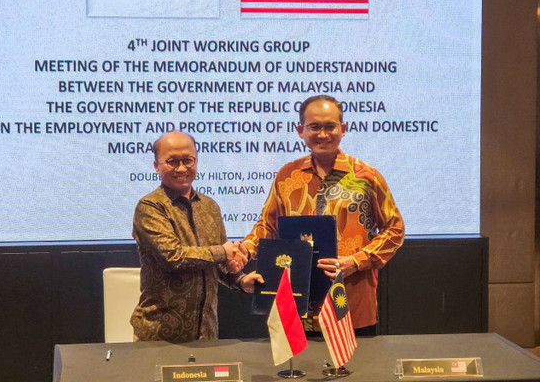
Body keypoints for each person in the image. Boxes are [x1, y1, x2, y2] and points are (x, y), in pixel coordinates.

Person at [242, 95, 405, 335]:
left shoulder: (367, 177)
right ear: (301, 130)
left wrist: (356, 261)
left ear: (344, 129)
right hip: (296, 301)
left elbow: (395, 230)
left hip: (351, 299)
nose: (322, 134)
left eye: (330, 126)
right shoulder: (286, 176)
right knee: (298, 371)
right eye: (314, 127)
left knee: (358, 372)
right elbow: (269, 225)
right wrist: (245, 249)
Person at [131, 131, 263, 342]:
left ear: (197, 161)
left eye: (188, 160)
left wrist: (241, 280)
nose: (182, 168)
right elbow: (173, 257)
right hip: (159, 334)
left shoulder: (210, 206)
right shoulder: (150, 207)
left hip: (206, 333)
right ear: (156, 166)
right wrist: (223, 251)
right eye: (172, 161)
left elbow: (219, 266)